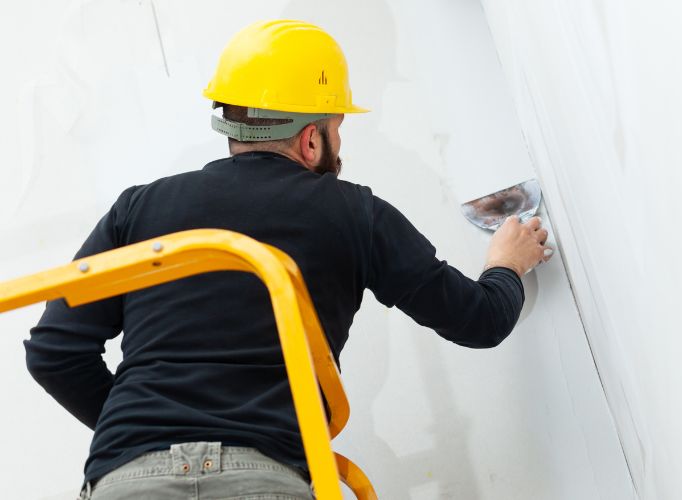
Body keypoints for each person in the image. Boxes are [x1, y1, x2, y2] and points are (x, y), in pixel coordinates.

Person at [24, 20, 551, 499]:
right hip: (264, 478)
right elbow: (479, 320)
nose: (340, 143)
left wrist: (138, 436)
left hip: (129, 484)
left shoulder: (138, 208)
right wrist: (507, 264)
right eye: (338, 128)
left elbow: (53, 352)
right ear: (311, 139)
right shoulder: (354, 213)